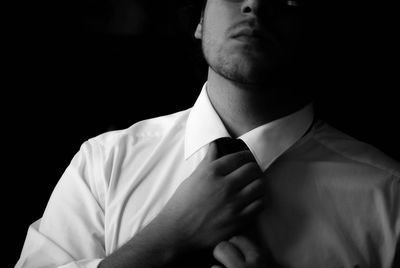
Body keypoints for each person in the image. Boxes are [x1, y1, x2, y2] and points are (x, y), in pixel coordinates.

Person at [16, 0, 399, 267]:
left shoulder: (390, 193)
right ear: (199, 20)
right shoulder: (103, 162)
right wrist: (163, 241)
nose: (255, 5)